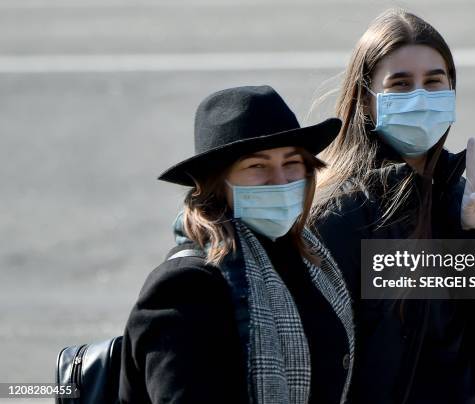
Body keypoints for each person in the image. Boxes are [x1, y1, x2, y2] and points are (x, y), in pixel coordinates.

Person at [310, 9, 475, 404]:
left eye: (434, 82)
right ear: (365, 101)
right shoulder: (340, 214)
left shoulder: (459, 197)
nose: (420, 97)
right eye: (400, 85)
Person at [119, 85, 355, 404]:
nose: (281, 180)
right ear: (217, 184)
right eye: (257, 167)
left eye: (291, 163)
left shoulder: (307, 259)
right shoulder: (186, 286)